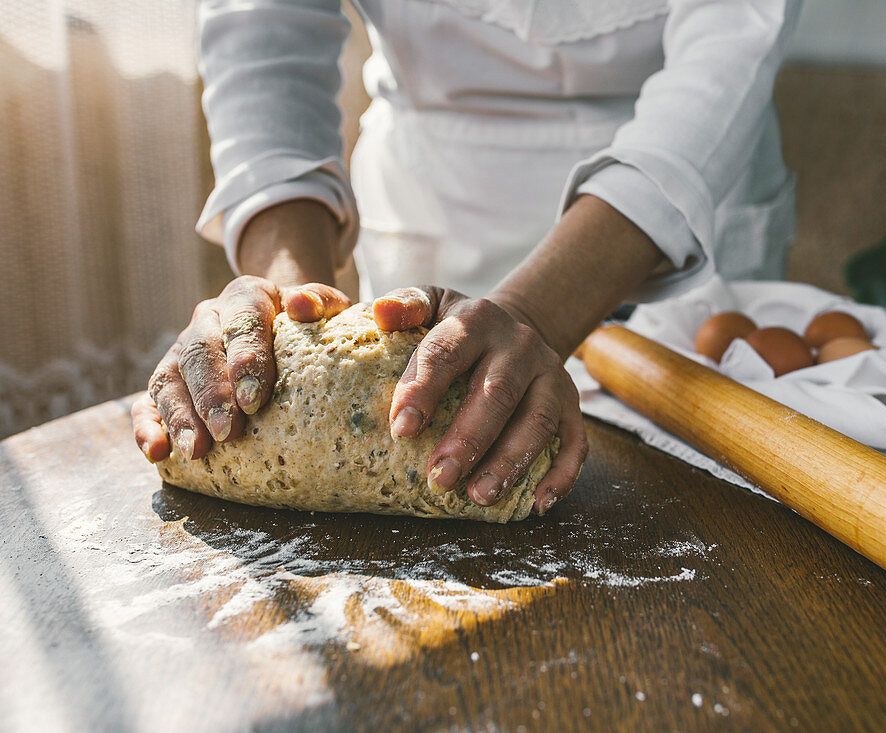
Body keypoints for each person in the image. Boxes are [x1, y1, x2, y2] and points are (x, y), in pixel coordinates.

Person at [132, 0, 801, 514]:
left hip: (668, 218)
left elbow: (733, 37)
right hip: (432, 203)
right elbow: (268, 31)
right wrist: (288, 315)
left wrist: (532, 311)